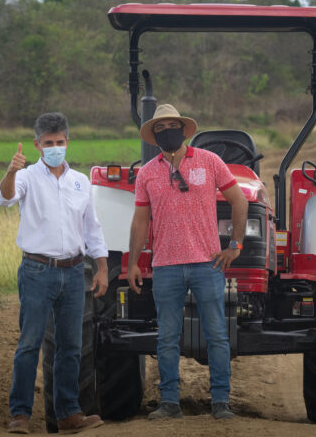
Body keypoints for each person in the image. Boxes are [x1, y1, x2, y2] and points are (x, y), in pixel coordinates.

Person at [127, 104, 247, 421]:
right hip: (165, 266)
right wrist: (134, 263)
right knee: (167, 337)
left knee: (217, 335)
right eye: (160, 127)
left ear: (183, 129)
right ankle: (169, 403)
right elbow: (140, 220)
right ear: (154, 136)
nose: (167, 131)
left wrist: (234, 244)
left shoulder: (209, 162)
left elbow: (239, 199)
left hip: (207, 264)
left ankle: (221, 402)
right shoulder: (147, 172)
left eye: (172, 125)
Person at [0, 112, 109, 435]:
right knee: (30, 343)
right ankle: (20, 414)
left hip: (74, 272)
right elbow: (4, 198)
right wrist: (9, 171)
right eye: (48, 143)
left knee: (71, 345)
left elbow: (92, 229)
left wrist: (101, 268)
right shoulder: (26, 177)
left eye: (60, 142)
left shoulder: (80, 182)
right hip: (36, 270)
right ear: (37, 145)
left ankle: (68, 413)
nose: (55, 148)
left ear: (67, 142)